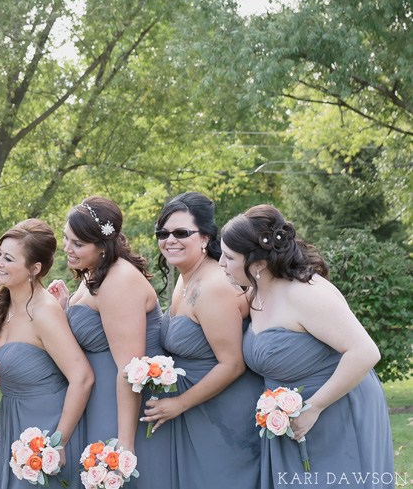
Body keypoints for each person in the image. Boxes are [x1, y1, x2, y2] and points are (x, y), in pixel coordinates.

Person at [221, 205, 394, 488]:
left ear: (258, 264)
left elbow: (365, 352)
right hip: (289, 417)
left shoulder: (305, 294)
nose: (221, 264)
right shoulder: (255, 293)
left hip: (335, 408)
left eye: (228, 257)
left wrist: (313, 408)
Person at [141, 192, 263, 489]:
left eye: (182, 233)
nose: (170, 240)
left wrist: (179, 403)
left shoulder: (214, 286)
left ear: (205, 237)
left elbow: (232, 364)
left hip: (225, 417)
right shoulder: (185, 277)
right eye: (163, 233)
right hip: (201, 414)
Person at [48, 196, 170, 488]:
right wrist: (66, 309)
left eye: (77, 244)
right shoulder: (94, 272)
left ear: (102, 245)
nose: (67, 248)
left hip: (119, 409)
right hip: (97, 399)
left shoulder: (119, 280)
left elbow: (131, 369)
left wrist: (125, 445)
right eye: (66, 239)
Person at [0, 219, 93, 489]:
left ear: (34, 269)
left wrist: (58, 442)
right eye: (0, 253)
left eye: (9, 258)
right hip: (12, 418)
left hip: (47, 424)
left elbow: (82, 377)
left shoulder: (45, 311)